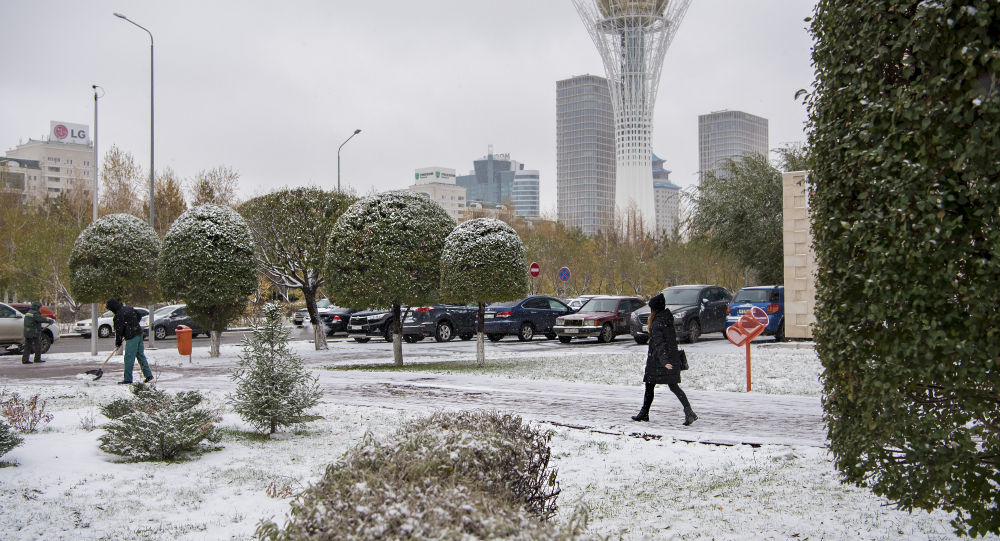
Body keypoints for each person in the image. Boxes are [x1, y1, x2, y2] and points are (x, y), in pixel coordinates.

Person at [632, 292, 697, 425]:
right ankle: (688, 411)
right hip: (669, 358)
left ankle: (645, 413)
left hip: (659, 361)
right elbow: (669, 342)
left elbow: (659, 344)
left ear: (654, 309)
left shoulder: (657, 324)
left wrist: (664, 361)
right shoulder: (667, 318)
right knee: (671, 386)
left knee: (651, 386)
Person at [106, 298, 154, 384]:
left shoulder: (118, 316)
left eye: (110, 308)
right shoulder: (129, 309)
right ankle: (148, 375)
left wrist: (118, 343)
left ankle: (127, 379)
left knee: (129, 358)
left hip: (132, 337)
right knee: (140, 355)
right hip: (139, 333)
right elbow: (139, 316)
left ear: (113, 307)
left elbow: (119, 331)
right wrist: (133, 324)